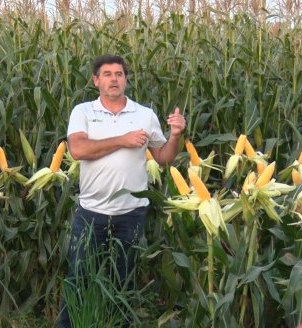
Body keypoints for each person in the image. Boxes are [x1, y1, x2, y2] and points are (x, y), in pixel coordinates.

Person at [58, 55, 186, 327]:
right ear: (96, 81)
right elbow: (79, 149)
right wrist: (123, 140)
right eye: (107, 74)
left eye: (119, 74)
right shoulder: (83, 112)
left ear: (126, 79)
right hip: (91, 212)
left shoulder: (144, 115)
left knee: (123, 280)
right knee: (78, 277)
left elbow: (163, 157)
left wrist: (175, 135)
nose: (114, 78)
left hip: (131, 213)